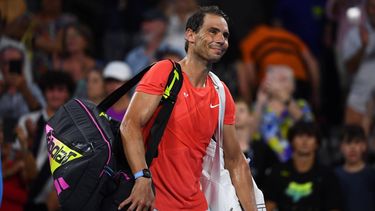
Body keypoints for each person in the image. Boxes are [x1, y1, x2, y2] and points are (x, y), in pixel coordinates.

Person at [119, 6, 257, 210]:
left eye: (225, 35)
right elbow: (129, 125)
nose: (221, 39)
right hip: (153, 202)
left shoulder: (221, 93)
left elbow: (236, 161)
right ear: (190, 35)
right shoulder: (164, 71)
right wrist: (142, 178)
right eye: (213, 31)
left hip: (197, 205)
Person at [16, 71, 75, 211]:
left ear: (68, 93)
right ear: (44, 92)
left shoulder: (73, 127)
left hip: (54, 198)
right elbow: (17, 158)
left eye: (60, 90)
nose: (55, 95)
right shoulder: (27, 120)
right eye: (51, 90)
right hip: (22, 192)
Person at [263, 121, 342, 211]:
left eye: (310, 136)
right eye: (300, 136)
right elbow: (268, 205)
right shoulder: (277, 172)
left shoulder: (327, 175)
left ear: (317, 143)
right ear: (291, 141)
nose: (304, 141)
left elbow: (334, 208)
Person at [342, 0, 375, 125]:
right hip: (359, 100)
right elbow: (349, 68)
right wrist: (363, 48)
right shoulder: (354, 34)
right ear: (366, 9)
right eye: (372, 7)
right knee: (354, 142)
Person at [335, 124, 375, 211]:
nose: (352, 148)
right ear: (341, 147)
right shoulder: (334, 176)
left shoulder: (372, 174)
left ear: (364, 146)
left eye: (357, 142)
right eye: (348, 143)